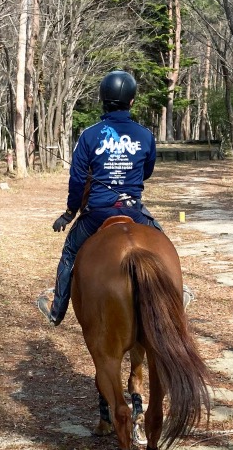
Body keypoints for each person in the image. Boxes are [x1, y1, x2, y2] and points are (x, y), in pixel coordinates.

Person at [37, 70, 162, 325]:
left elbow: (77, 180)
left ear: (102, 100)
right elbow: (146, 172)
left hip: (97, 213)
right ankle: (176, 296)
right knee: (162, 243)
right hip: (134, 211)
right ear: (132, 101)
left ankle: (57, 309)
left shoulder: (89, 135)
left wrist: (70, 212)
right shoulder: (145, 135)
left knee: (71, 251)